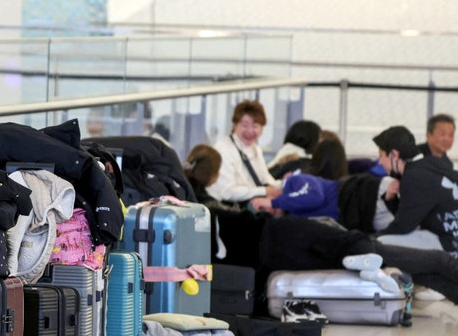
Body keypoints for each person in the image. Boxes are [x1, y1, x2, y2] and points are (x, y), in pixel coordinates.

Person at [185, 143, 458, 305]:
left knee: (413, 265)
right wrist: (274, 203)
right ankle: (367, 257)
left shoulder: (195, 213)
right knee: (373, 249)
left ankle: (370, 262)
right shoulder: (202, 207)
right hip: (278, 236)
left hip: (272, 259)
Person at [373, 125, 458, 255]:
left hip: (449, 244)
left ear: (394, 154)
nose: (380, 162)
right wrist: (390, 198)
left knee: (381, 242)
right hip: (451, 236)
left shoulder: (413, 176)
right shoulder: (433, 164)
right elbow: (410, 217)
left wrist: (369, 239)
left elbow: (402, 227)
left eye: (381, 156)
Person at [208, 99, 282, 210]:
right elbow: (227, 192)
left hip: (247, 205)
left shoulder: (255, 149)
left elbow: (265, 179)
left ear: (262, 129)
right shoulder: (223, 149)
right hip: (228, 209)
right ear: (234, 125)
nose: (250, 131)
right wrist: (265, 191)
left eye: (255, 126)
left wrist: (285, 184)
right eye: (245, 125)